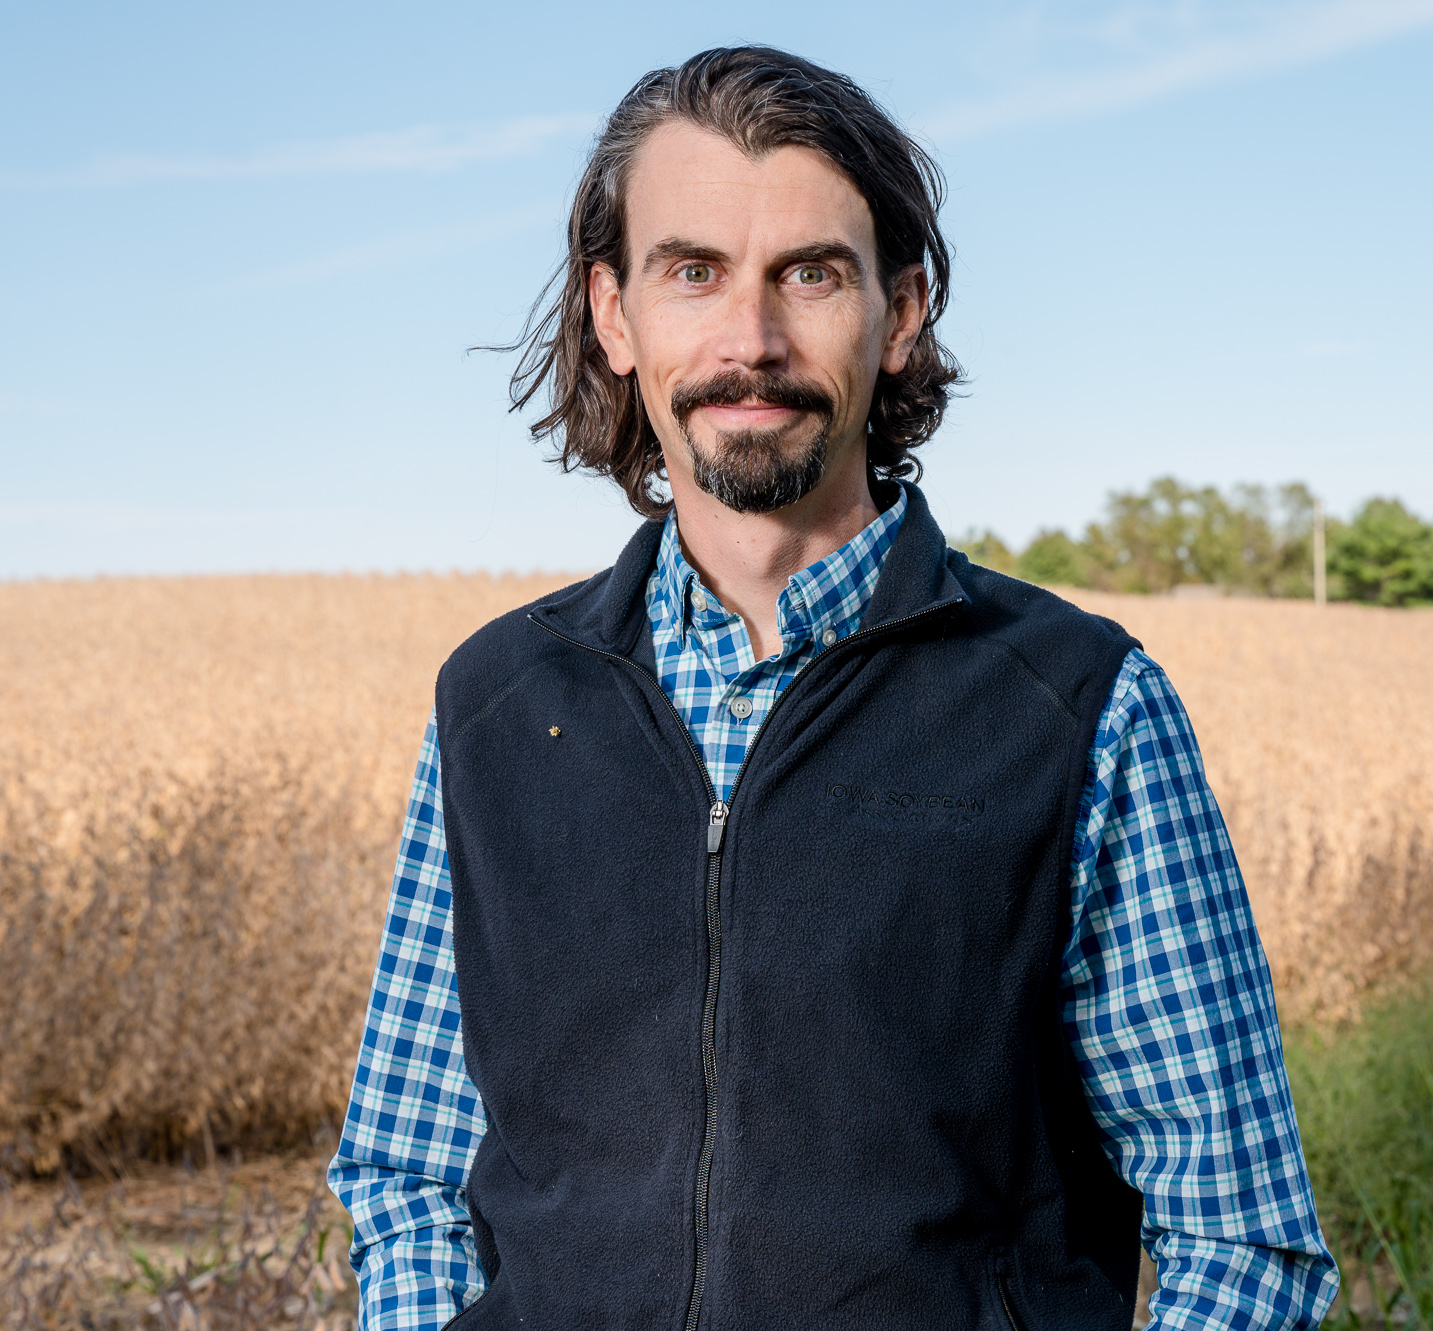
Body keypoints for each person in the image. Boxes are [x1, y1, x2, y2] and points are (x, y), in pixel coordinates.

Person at [328, 46, 1339, 1331]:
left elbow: (1240, 1237)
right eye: (692, 271)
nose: (749, 340)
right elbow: (409, 1167)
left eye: (810, 273)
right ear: (615, 314)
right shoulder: (493, 705)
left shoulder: (1076, 710)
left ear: (900, 310)